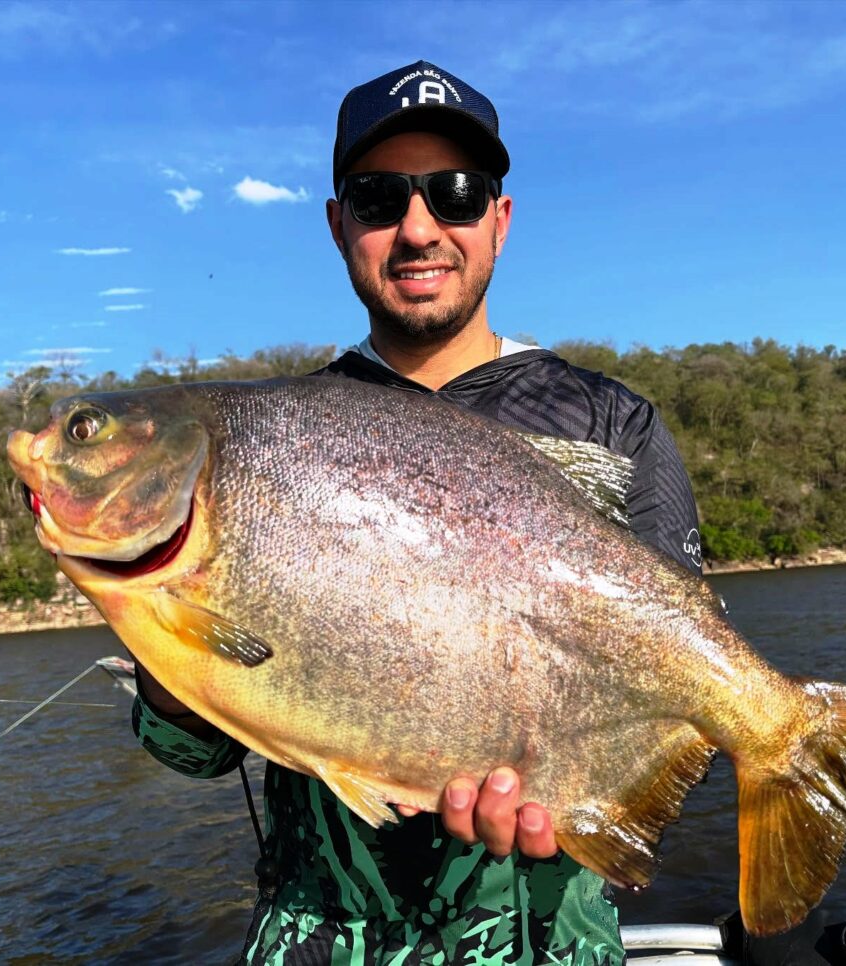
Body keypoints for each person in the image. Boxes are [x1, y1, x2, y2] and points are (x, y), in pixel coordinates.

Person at [132, 60, 702, 965]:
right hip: (317, 939)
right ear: (337, 226)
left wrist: (593, 785)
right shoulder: (268, 438)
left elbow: (677, 675)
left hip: (546, 939)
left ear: (501, 221)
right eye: (379, 198)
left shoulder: (611, 422)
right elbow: (191, 751)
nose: (419, 228)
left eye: (456, 193)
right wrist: (169, 612)